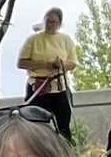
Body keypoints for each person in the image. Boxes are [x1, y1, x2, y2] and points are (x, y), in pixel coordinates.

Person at [15, 7, 80, 141]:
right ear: (44, 21)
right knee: (35, 125)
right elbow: (21, 63)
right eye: (48, 21)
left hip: (59, 87)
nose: (51, 25)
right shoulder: (33, 39)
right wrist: (44, 64)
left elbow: (73, 63)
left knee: (63, 125)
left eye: (54, 22)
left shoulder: (66, 40)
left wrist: (60, 64)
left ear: (59, 24)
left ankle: (65, 155)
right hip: (38, 88)